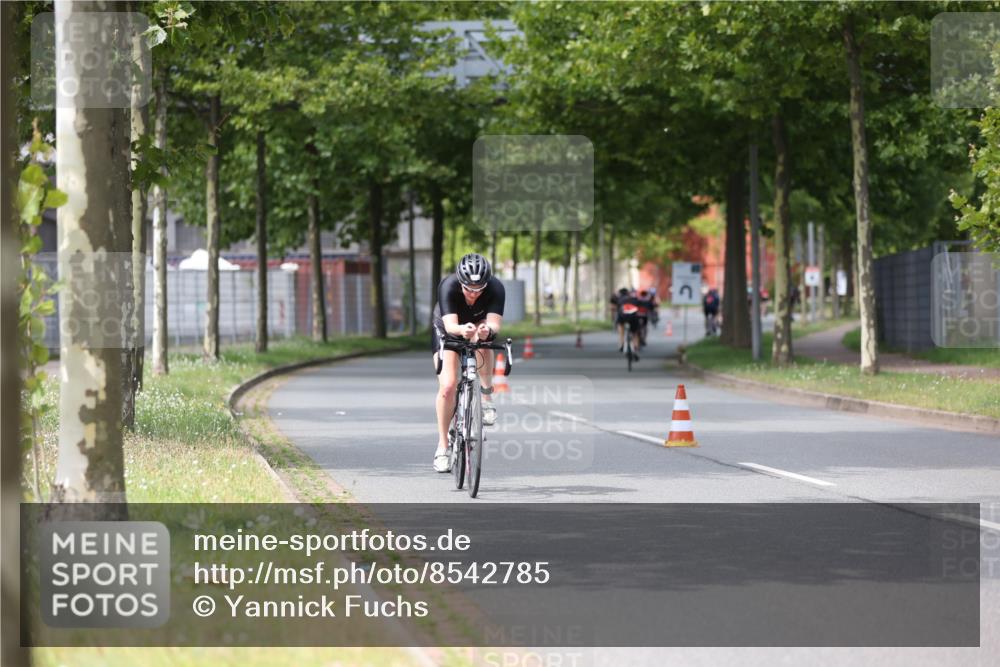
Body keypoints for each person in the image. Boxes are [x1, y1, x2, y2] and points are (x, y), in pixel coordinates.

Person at [431, 253, 505, 473]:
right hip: (449, 327)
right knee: (448, 386)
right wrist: (463, 330)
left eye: (479, 289)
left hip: (478, 324)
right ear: (460, 282)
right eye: (468, 289)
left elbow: (495, 324)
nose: (473, 294)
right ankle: (443, 447)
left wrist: (486, 330)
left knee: (485, 342)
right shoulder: (448, 285)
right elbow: (451, 326)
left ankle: (486, 397)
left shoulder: (496, 288)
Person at [612, 287, 642, 360]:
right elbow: (640, 306)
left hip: (622, 317)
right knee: (635, 333)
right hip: (633, 317)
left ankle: (622, 344)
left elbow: (614, 307)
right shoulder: (634, 299)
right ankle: (635, 347)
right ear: (628, 293)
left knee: (621, 329)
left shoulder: (619, 299)